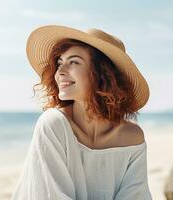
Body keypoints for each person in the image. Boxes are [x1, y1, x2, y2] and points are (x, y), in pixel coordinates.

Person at [11, 25, 152, 200]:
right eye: (60, 63)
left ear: (103, 73)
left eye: (74, 62)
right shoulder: (54, 124)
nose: (60, 72)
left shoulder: (132, 137)